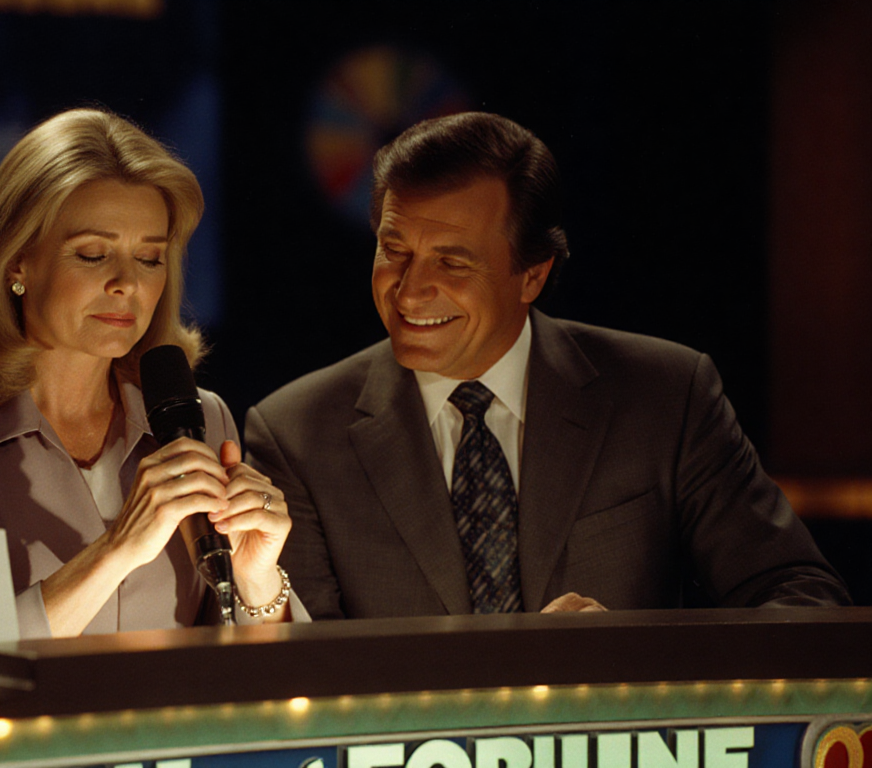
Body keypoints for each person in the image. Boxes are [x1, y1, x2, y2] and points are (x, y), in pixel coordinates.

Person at [245, 112, 850, 620]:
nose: (408, 293)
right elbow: (303, 669)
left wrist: (634, 660)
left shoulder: (667, 394)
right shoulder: (296, 434)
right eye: (394, 252)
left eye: (452, 264)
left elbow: (803, 597)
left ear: (532, 275)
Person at [0, 108, 303, 638]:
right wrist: (115, 552)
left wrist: (257, 580)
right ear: (17, 261)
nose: (126, 284)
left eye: (150, 259)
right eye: (92, 254)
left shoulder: (201, 418)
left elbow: (257, 677)